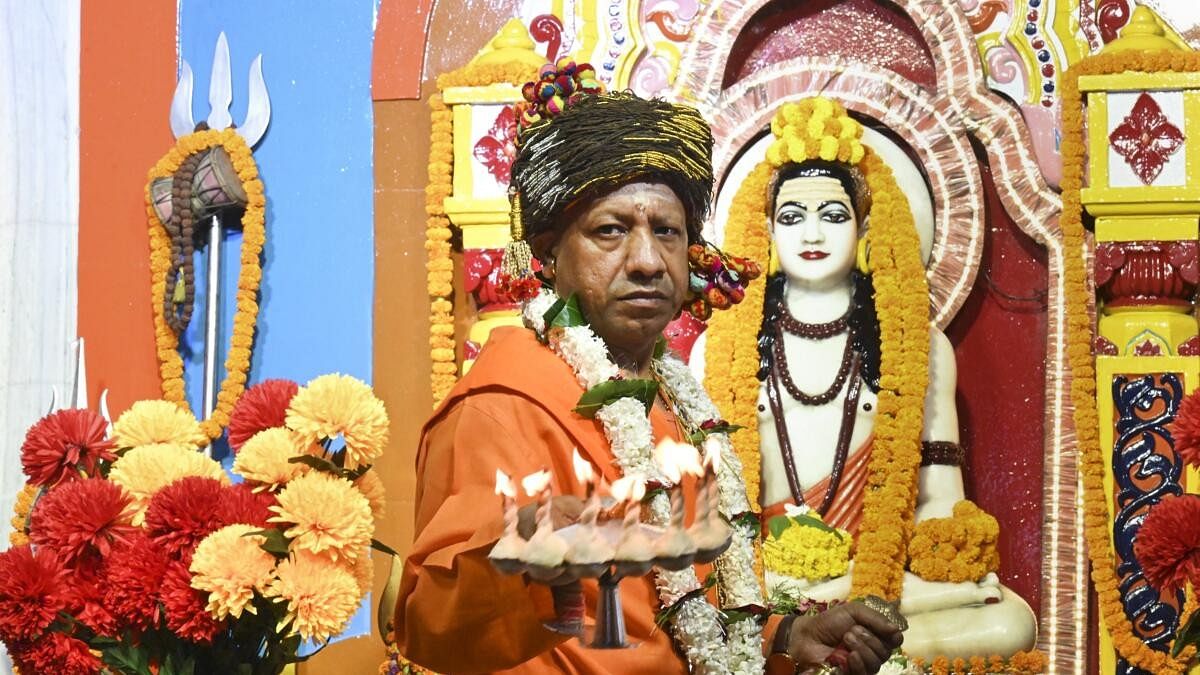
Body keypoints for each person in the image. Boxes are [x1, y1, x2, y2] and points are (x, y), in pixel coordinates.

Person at [394, 62, 904, 674]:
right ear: (549, 254)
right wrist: (526, 552)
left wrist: (786, 635)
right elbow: (434, 630)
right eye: (610, 230)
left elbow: (686, 615)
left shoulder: (673, 401)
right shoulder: (502, 405)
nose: (645, 260)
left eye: (667, 231)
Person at [705, 98, 1036, 660]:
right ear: (767, 236)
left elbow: (936, 496)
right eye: (792, 217)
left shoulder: (920, 346)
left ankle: (843, 627)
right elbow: (709, 511)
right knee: (713, 605)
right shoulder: (720, 350)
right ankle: (826, 632)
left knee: (1008, 624)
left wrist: (925, 552)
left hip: (879, 575)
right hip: (762, 584)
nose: (812, 232)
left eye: (832, 216)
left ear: (864, 230)